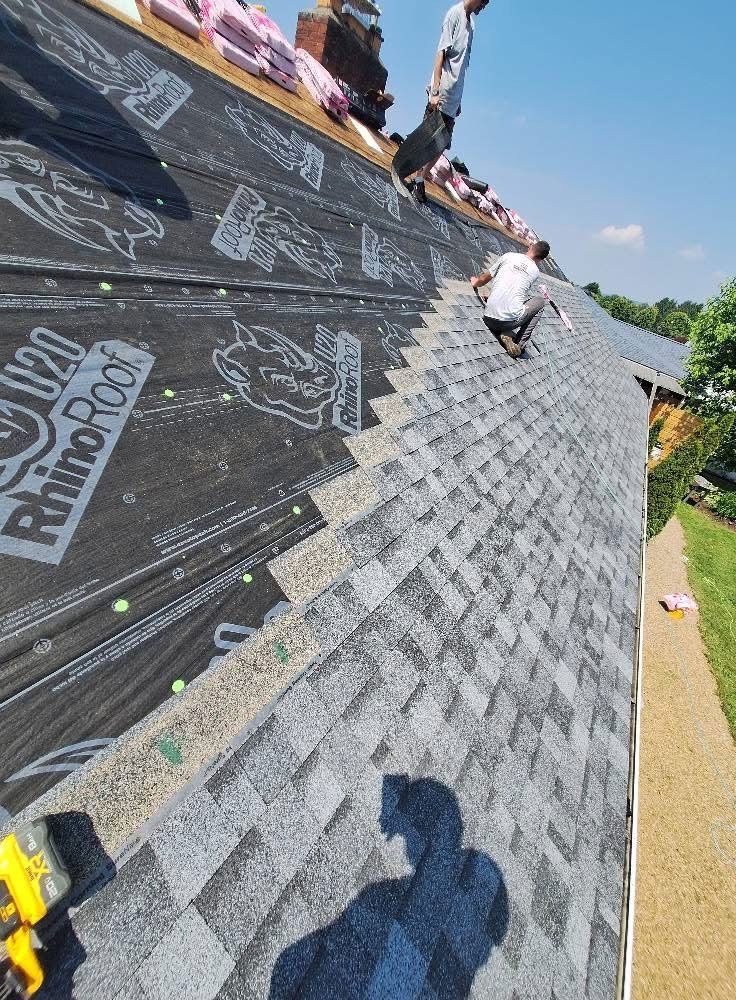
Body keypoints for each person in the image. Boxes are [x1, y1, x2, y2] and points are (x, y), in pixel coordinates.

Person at [410, 0, 491, 204]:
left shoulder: (471, 24)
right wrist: (435, 91)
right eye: (484, 1)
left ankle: (421, 177)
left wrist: (459, 100)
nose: (485, 6)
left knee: (442, 144)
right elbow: (441, 54)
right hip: (442, 92)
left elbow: (462, 66)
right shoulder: (454, 14)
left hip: (454, 99)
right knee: (428, 139)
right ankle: (417, 179)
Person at [471, 241, 551, 357]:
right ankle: (518, 344)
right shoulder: (535, 271)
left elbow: (486, 278)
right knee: (540, 302)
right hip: (506, 324)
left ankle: (507, 334)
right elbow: (515, 291)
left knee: (522, 299)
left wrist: (475, 283)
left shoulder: (508, 256)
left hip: (488, 317)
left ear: (530, 246)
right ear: (540, 260)